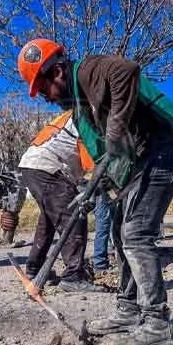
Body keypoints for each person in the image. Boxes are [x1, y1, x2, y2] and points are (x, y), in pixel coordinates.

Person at [17, 38, 173, 345]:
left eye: (42, 88)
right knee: (116, 230)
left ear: (55, 71)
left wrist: (114, 131)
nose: (43, 97)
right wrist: (94, 188)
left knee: (136, 233)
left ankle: (157, 324)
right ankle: (128, 310)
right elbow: (103, 158)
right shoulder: (81, 113)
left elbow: (127, 70)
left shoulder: (90, 70)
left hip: (170, 147)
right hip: (144, 160)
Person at [17, 109, 104, 293]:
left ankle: (35, 269)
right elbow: (94, 164)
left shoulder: (74, 113)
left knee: (48, 221)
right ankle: (73, 277)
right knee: (74, 217)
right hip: (49, 168)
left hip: (32, 165)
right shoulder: (88, 118)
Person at [92, 190, 113, 272]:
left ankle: (106, 257)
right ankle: (100, 263)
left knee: (114, 223)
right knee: (103, 225)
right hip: (103, 189)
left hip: (112, 190)